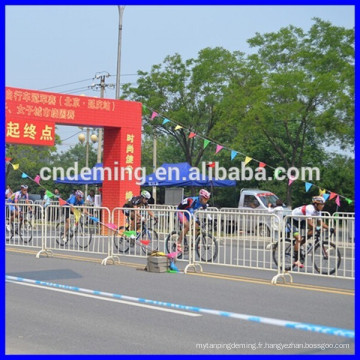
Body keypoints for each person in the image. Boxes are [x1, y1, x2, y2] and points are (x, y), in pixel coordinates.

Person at [290, 196, 333, 268]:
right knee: (299, 238)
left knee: (312, 230)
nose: (323, 206)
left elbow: (321, 223)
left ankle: (300, 244)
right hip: (292, 220)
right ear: (316, 204)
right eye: (321, 205)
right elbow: (310, 223)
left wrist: (330, 228)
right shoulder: (310, 208)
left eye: (323, 204)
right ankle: (296, 260)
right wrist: (317, 228)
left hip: (301, 220)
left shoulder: (318, 211)